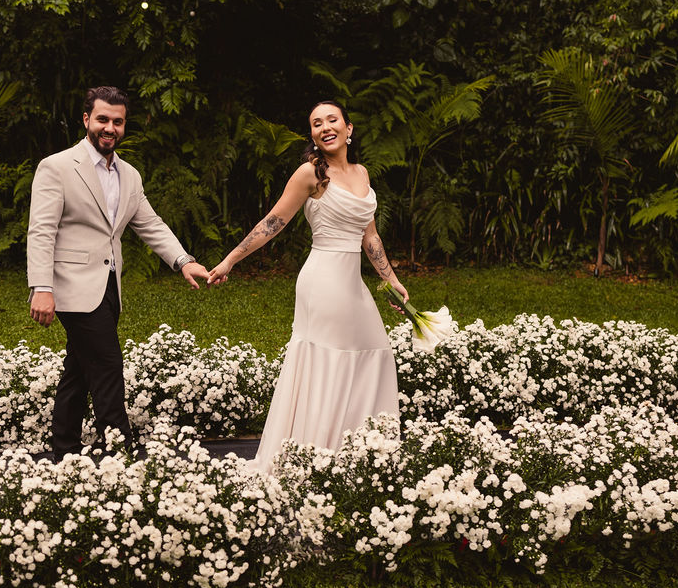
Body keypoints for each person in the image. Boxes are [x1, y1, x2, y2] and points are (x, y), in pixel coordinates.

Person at [207, 100, 408, 472]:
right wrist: (230, 260)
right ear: (313, 136)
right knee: (329, 359)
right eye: (317, 123)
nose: (325, 126)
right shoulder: (310, 174)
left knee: (375, 351)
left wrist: (391, 280)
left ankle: (361, 453)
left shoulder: (363, 173)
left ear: (349, 129)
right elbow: (273, 222)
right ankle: (315, 455)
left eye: (332, 120)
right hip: (323, 280)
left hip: (352, 282)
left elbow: (370, 236)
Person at [27, 86, 211, 462]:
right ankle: (121, 454)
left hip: (110, 287)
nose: (109, 128)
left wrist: (183, 260)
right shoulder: (57, 167)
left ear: (124, 125)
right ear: (86, 120)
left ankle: (63, 450)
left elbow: (150, 224)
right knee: (108, 365)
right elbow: (41, 231)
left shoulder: (129, 175)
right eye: (102, 120)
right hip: (71, 287)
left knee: (78, 369)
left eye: (118, 121)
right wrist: (41, 287)